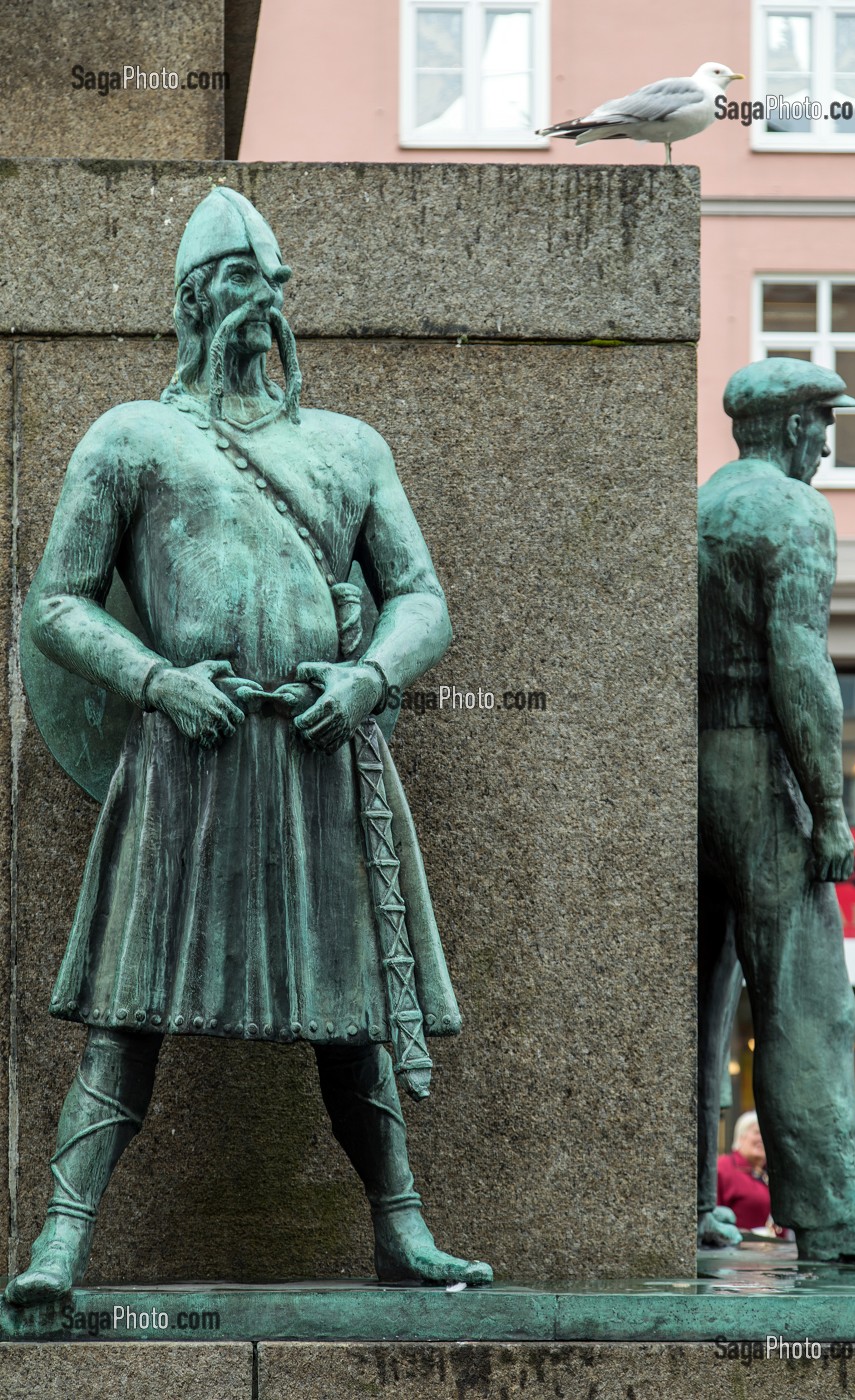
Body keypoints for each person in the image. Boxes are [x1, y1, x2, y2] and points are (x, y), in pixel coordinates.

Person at [6, 188, 492, 1304]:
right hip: (189, 758)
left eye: (273, 284)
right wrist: (159, 679)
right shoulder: (132, 435)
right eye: (237, 281)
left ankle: (402, 1229)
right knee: (127, 1013)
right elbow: (58, 604)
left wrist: (370, 676)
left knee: (354, 1013)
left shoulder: (349, 447)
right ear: (190, 301)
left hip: (321, 758)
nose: (262, 303)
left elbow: (422, 597)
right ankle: (59, 1246)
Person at [697, 357, 855, 1265]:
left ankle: (689, 1203)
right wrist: (829, 808)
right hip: (758, 759)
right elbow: (801, 664)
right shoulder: (792, 512)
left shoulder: (699, 506)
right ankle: (835, 1217)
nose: (828, 446)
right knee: (805, 995)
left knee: (702, 999)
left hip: (689, 762)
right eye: (822, 427)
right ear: (794, 427)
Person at [716, 1112, 772, 1231]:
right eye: (757, 1132)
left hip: (778, 1247)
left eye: (767, 1133)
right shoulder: (723, 1167)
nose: (763, 1138)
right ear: (741, 1137)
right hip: (736, 1247)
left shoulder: (774, 1172)